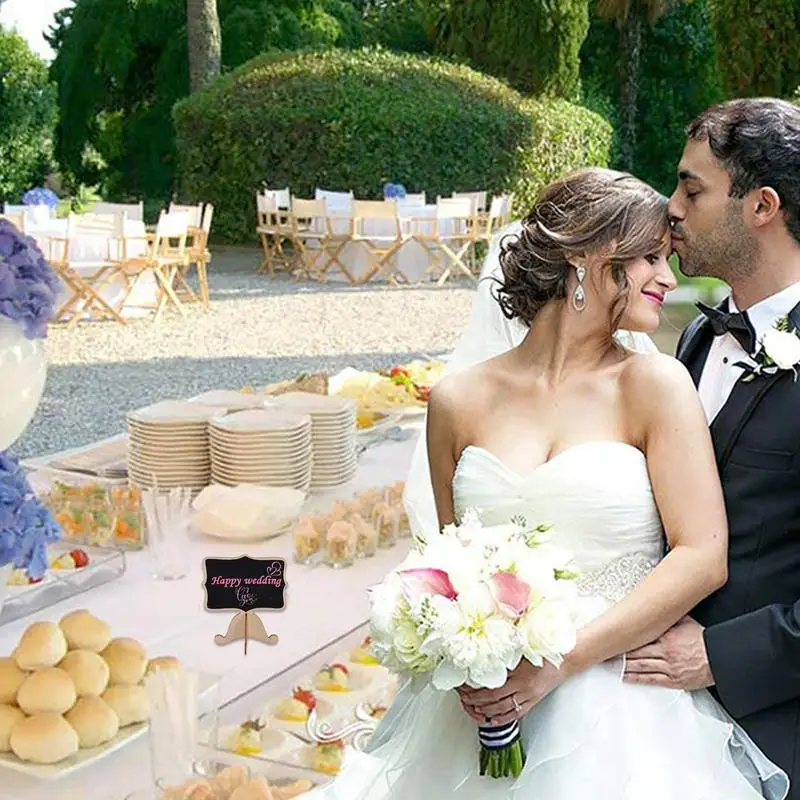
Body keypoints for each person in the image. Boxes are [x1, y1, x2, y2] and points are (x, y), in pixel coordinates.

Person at [302, 168, 789, 799]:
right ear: (586, 256)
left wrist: (559, 663)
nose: (668, 280)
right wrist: (464, 647)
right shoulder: (456, 400)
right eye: (648, 258)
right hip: (483, 715)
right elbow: (450, 565)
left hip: (624, 715)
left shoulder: (655, 385)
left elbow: (702, 556)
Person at [622, 98, 800, 797]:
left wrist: (721, 655)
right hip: (652, 718)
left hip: (773, 728)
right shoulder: (698, 338)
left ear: (761, 206)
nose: (671, 208)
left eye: (692, 189)